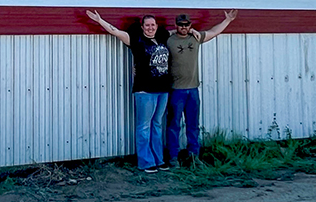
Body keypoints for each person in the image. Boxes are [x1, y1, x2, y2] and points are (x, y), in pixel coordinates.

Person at [86, 10, 172, 173]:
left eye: (153, 25)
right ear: (142, 27)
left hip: (163, 89)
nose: (150, 28)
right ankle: (146, 162)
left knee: (158, 124)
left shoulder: (163, 38)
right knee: (144, 126)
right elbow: (114, 31)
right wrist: (100, 20)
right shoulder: (135, 40)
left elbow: (181, 32)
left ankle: (159, 159)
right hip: (144, 90)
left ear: (157, 26)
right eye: (147, 25)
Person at [166, 10, 238, 167]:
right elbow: (153, 34)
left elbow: (213, 32)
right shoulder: (169, 39)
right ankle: (173, 157)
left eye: (186, 25)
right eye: (180, 25)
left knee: (193, 125)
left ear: (190, 25)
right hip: (176, 91)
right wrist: (171, 31)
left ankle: (194, 156)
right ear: (176, 25)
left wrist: (227, 21)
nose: (183, 27)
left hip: (193, 90)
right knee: (174, 125)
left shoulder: (196, 37)